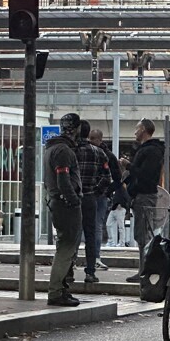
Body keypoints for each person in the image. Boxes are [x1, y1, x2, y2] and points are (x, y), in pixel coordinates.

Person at [43, 113, 84, 307]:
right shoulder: (63, 151)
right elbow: (63, 180)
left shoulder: (52, 148)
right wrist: (74, 200)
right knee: (67, 248)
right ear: (76, 129)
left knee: (65, 247)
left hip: (56, 202)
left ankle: (61, 289)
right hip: (65, 205)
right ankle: (57, 290)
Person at [126, 118, 166, 272]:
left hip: (144, 195)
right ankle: (144, 270)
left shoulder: (150, 151)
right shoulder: (150, 150)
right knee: (142, 234)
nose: (135, 132)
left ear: (143, 129)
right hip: (142, 195)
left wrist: (129, 166)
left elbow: (145, 175)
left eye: (137, 128)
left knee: (143, 236)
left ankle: (145, 271)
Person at [75, 120, 108, 285]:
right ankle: (90, 271)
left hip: (74, 198)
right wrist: (96, 191)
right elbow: (106, 177)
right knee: (90, 234)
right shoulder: (99, 152)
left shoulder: (71, 152)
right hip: (90, 198)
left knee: (72, 234)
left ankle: (68, 271)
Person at [88, 128, 122, 267]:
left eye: (92, 139)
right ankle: (95, 258)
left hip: (92, 194)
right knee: (96, 225)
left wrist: (105, 191)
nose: (90, 141)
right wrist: (107, 191)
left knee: (92, 226)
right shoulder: (108, 155)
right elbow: (117, 178)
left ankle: (93, 257)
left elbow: (116, 178)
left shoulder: (99, 154)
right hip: (99, 194)